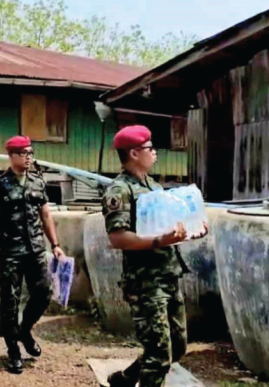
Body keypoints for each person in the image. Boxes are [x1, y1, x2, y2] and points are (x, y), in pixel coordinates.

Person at [102, 125, 208, 387]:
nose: (155, 153)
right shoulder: (120, 191)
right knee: (159, 355)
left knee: (177, 347)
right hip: (145, 282)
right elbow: (118, 238)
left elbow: (168, 229)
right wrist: (160, 241)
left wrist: (191, 230)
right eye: (150, 148)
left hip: (168, 275)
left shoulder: (154, 187)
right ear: (134, 153)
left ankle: (125, 379)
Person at [0, 135, 65, 374]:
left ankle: (25, 330)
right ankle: (13, 350)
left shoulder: (38, 182)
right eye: (23, 153)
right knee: (10, 300)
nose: (28, 157)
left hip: (36, 249)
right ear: (11, 156)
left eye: (30, 153)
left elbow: (46, 215)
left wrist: (55, 244)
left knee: (43, 292)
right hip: (10, 251)